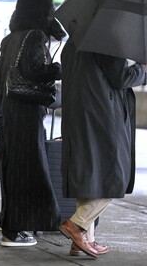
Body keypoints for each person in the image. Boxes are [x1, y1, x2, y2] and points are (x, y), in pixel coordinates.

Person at [59, 37, 147, 258]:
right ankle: (76, 225)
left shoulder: (73, 42)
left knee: (90, 177)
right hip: (103, 117)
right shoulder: (108, 40)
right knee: (114, 176)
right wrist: (142, 69)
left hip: (77, 115)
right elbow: (121, 77)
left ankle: (83, 242)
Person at [0, 0, 66, 247]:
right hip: (26, 112)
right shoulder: (35, 36)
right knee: (30, 170)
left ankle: (12, 226)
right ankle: (16, 230)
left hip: (8, 111)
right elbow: (36, 71)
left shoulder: (10, 38)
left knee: (14, 169)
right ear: (44, 10)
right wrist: (57, 69)